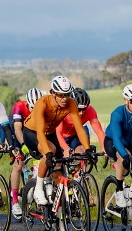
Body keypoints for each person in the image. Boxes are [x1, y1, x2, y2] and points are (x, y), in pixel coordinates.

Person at [23, 75, 89, 205]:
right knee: (50, 151)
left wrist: (87, 149)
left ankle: (58, 205)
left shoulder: (71, 103)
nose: (64, 99)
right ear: (53, 92)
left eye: (67, 95)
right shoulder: (42, 103)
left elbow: (79, 128)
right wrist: (47, 153)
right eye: (61, 95)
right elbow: (40, 132)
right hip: (32, 132)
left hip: (50, 133)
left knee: (60, 164)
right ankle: (38, 189)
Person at [8, 87, 43, 218]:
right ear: (28, 104)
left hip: (31, 132)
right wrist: (24, 144)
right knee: (18, 165)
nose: (34, 110)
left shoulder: (42, 108)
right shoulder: (19, 107)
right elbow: (17, 128)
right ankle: (15, 201)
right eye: (32, 108)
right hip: (16, 134)